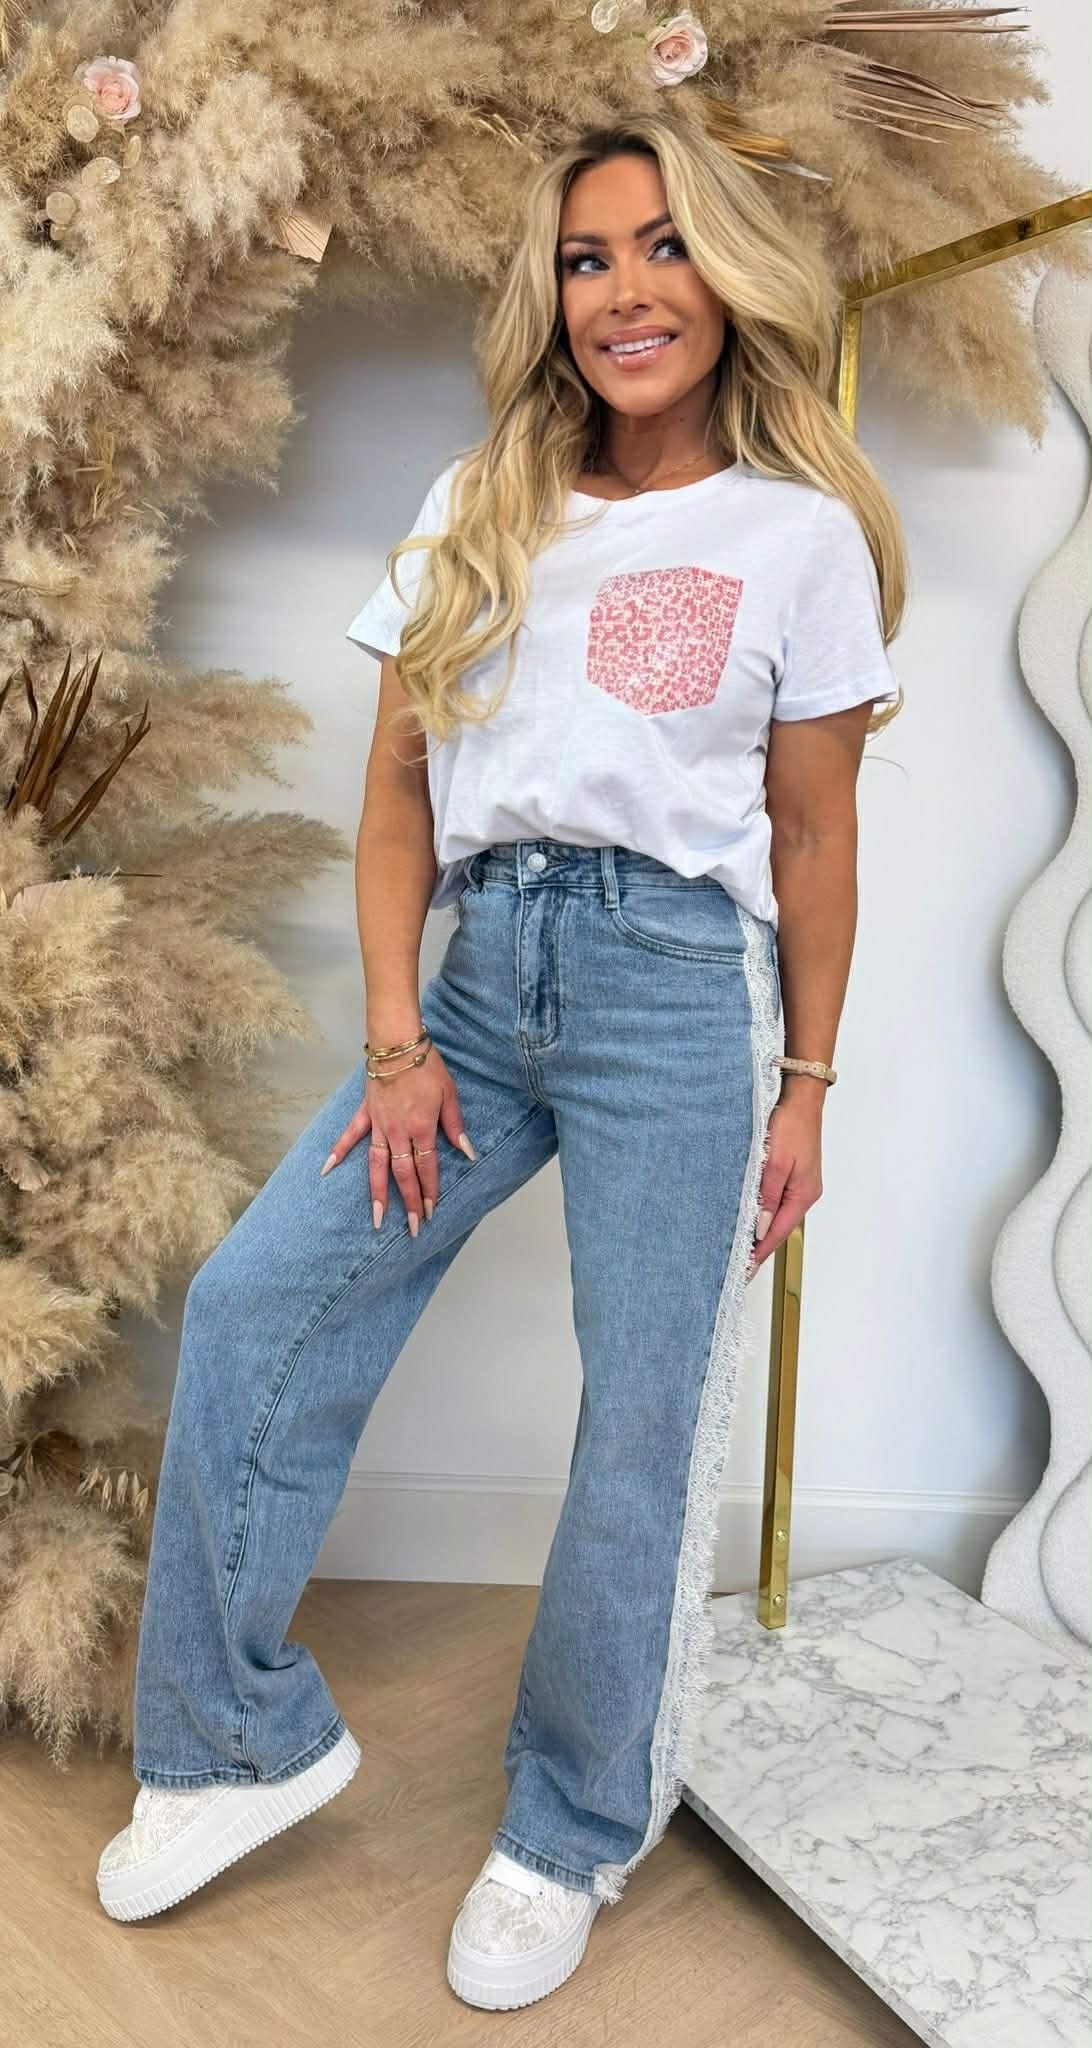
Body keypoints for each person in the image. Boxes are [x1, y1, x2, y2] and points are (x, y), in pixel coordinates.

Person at [96, 105, 907, 2014]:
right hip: (478, 985)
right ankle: (229, 1744)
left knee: (639, 1422)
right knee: (260, 1301)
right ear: (550, 298)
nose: (626, 291)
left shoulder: (795, 537)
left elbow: (813, 836)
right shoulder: (479, 500)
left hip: (676, 994)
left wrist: (808, 1083)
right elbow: (396, 798)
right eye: (585, 258)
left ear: (729, 275)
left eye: (664, 246)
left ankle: (566, 1830)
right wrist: (396, 1039)